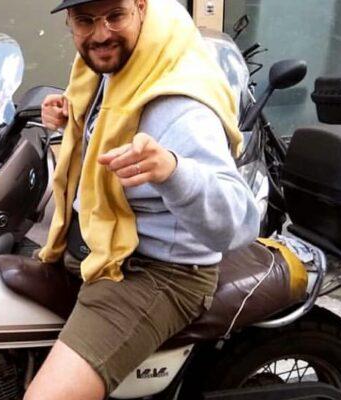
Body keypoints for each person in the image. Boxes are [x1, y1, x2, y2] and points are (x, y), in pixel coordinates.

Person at [24, 0, 261, 398]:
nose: (100, 34)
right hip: (98, 246)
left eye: (115, 16)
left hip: (156, 271)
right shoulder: (108, 72)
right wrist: (73, 117)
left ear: (140, 8)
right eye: (85, 20)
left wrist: (172, 170)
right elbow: (109, 125)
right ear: (69, 22)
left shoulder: (179, 103)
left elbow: (238, 222)